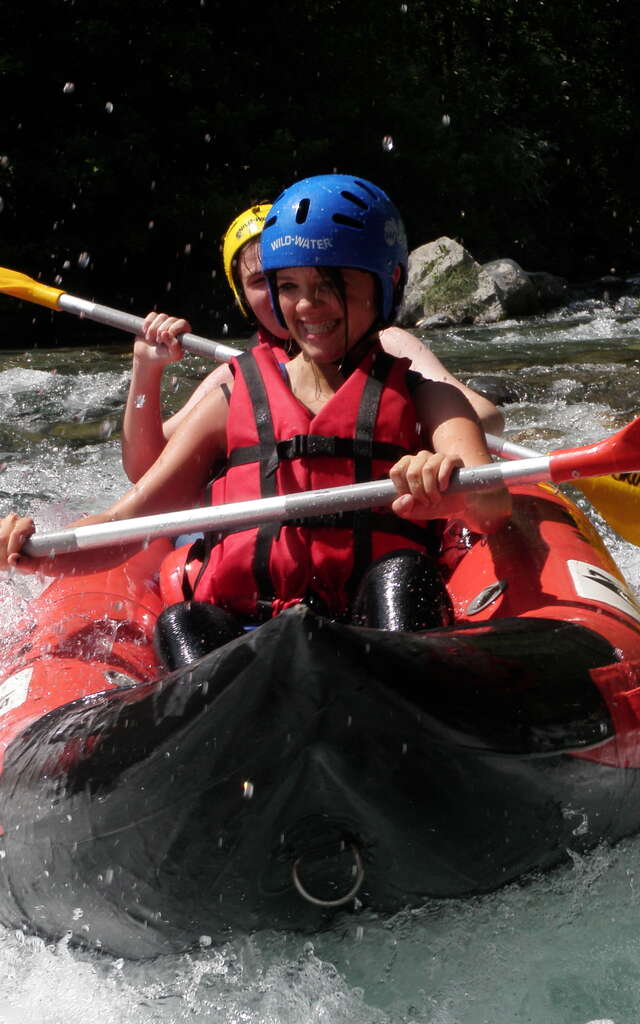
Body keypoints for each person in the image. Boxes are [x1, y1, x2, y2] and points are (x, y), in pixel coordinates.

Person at [0, 174, 510, 650]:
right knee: (183, 621)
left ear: (387, 281)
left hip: (374, 634)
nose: (307, 306)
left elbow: (491, 505)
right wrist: (35, 553)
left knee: (402, 574)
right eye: (289, 286)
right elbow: (127, 522)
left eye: (330, 284)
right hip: (254, 642)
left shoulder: (428, 397)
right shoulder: (231, 398)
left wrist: (451, 492)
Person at [121, 200, 504, 483]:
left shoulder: (390, 345)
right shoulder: (236, 382)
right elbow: (146, 469)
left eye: (321, 280)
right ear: (244, 298)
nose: (302, 301)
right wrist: (146, 371)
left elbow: (487, 417)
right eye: (271, 284)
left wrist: (424, 438)